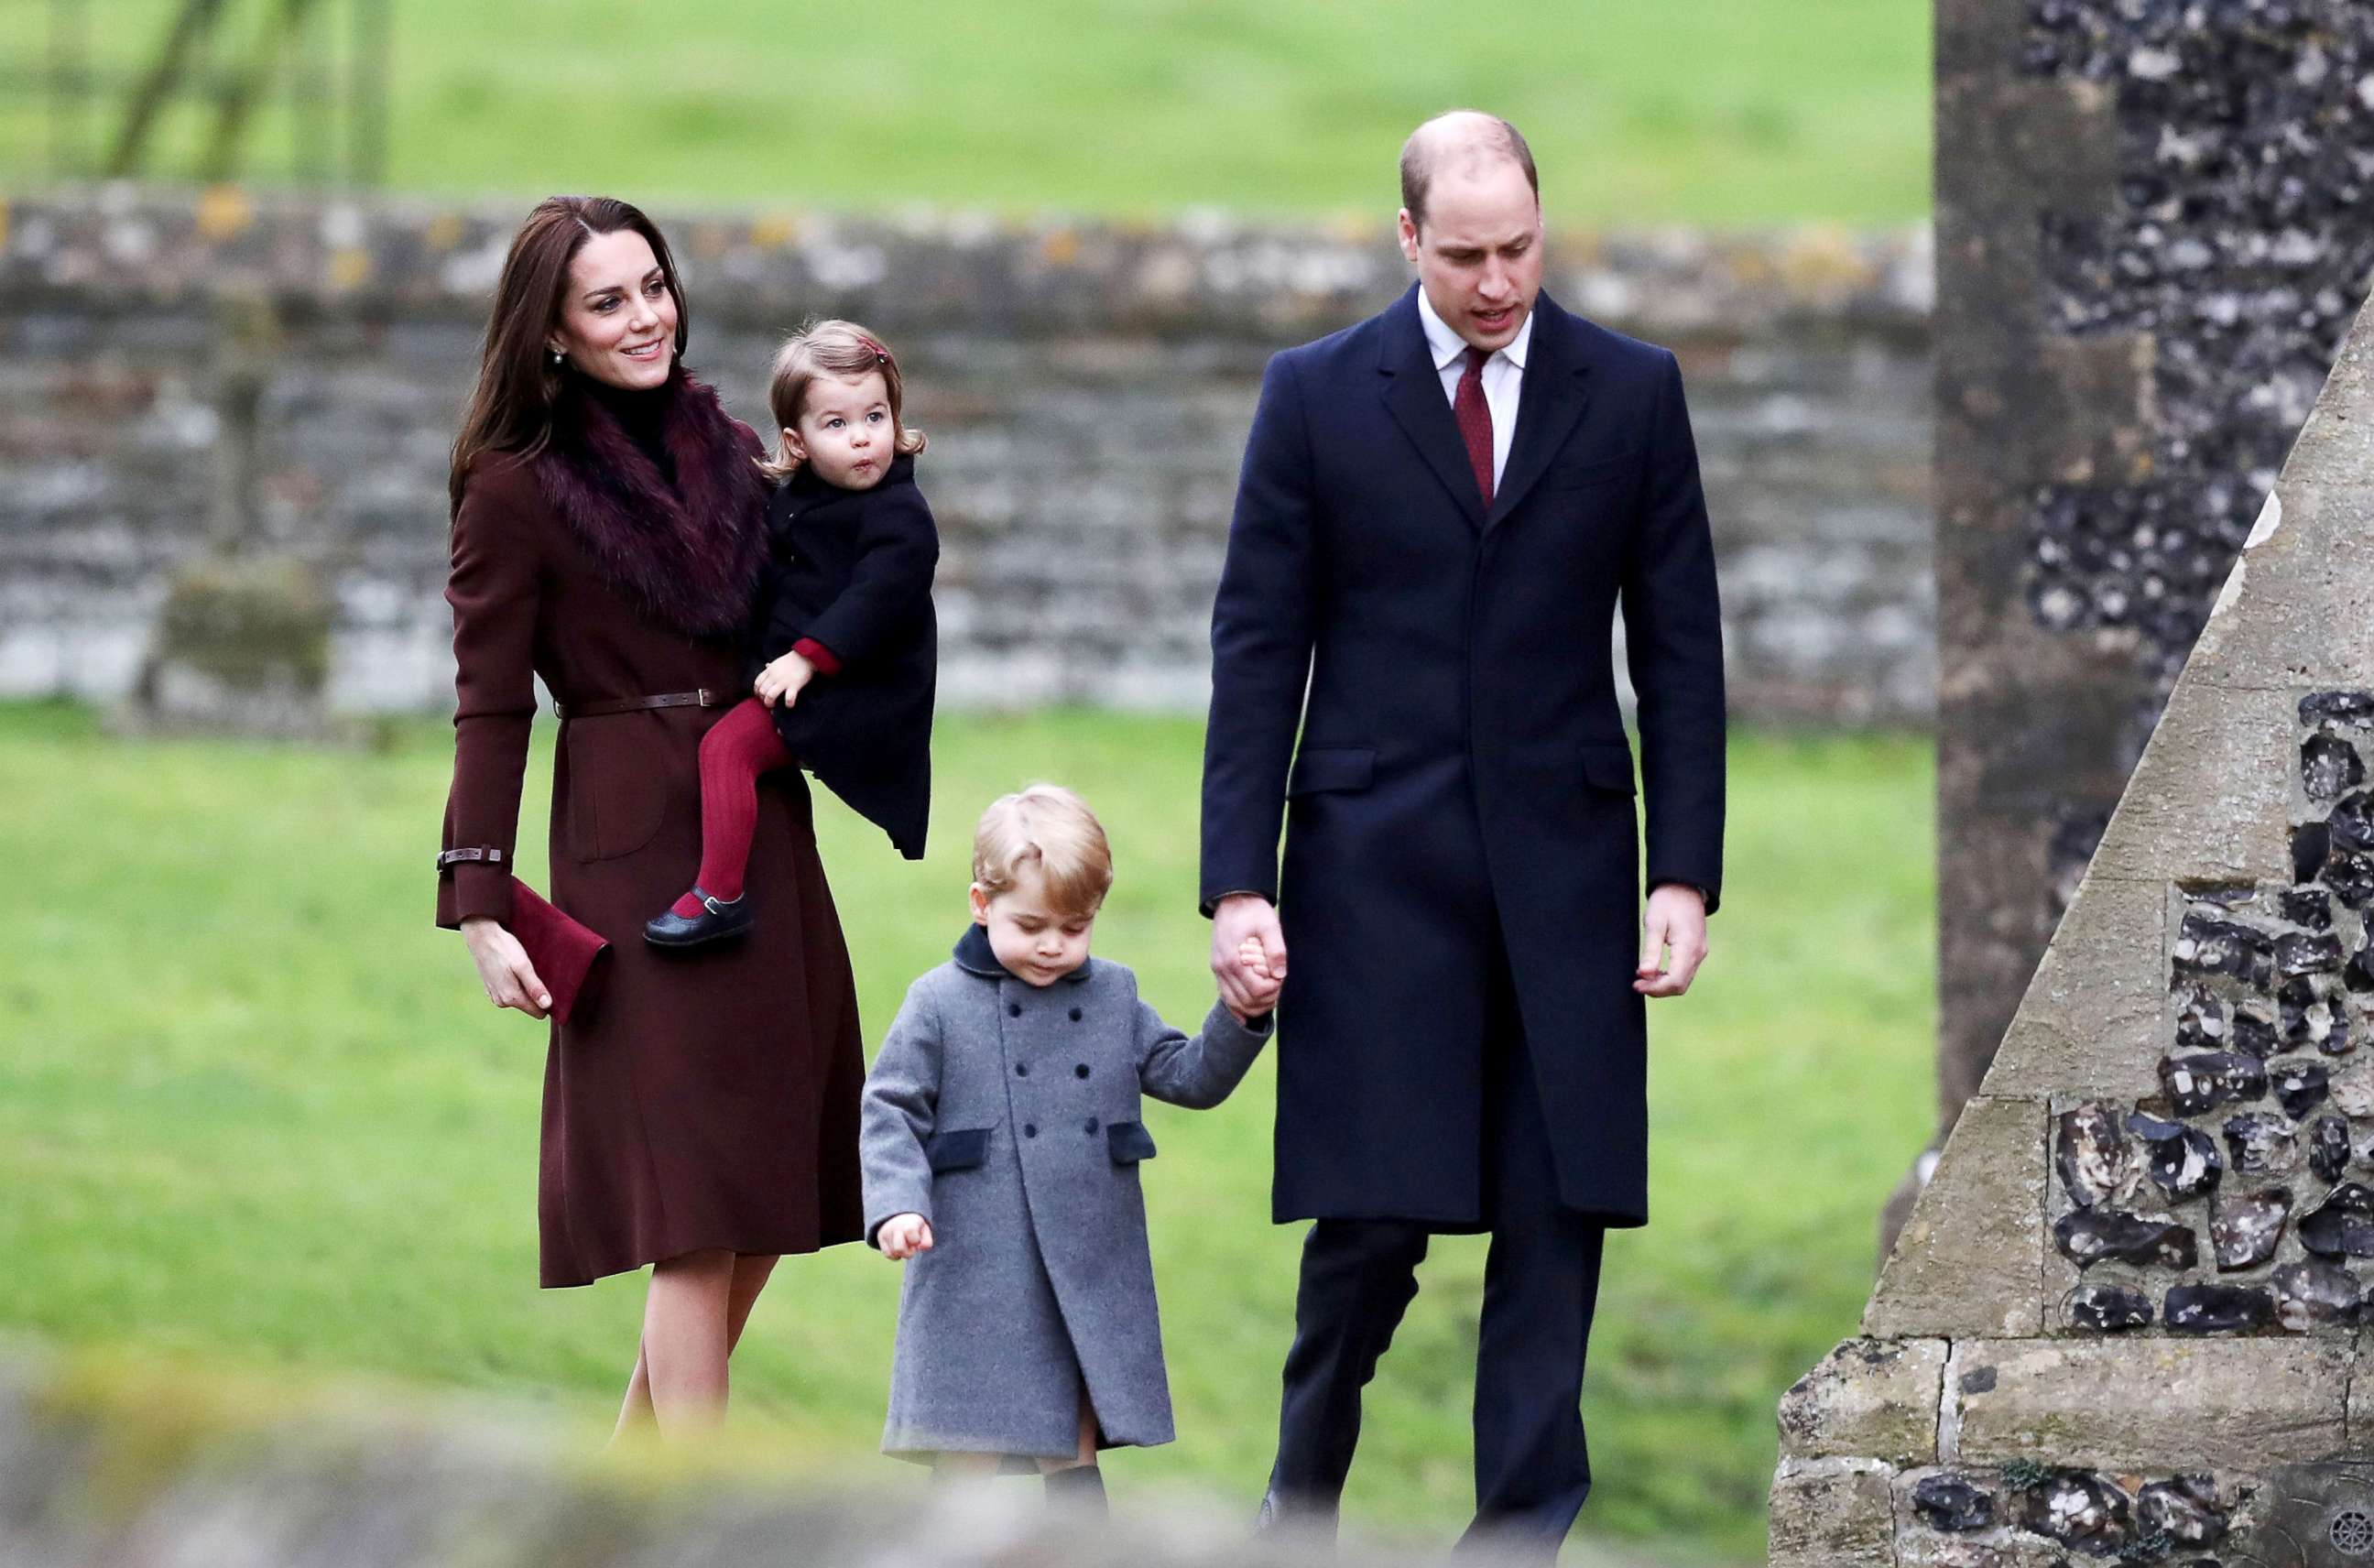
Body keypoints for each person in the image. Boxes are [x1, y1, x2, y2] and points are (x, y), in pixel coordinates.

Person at [1200, 112, 1726, 1558]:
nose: (1500, 282)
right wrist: (1238, 882)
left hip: (1566, 877)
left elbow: (1680, 651)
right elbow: (1258, 647)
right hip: (1372, 876)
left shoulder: (1631, 392)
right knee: (1367, 1232)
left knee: (1558, 1223)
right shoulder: (1313, 395)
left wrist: (1682, 873)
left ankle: (1519, 1542)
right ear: (1409, 238)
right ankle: (1295, 1516)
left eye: (1522, 248)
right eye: (1469, 254)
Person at [438, 194, 866, 1438]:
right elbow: (488, 707)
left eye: (653, 286)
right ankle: (696, 1519)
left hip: (763, 831)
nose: (644, 317)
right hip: (629, 855)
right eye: (607, 301)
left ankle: (618, 1506)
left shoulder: (733, 447)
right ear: (554, 334)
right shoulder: (513, 490)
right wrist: (481, 903)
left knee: (770, 1188)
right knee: (692, 1213)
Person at [859, 785, 1280, 1517]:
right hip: (975, 1258)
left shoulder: (1114, 995)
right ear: (980, 903)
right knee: (969, 1445)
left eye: (1075, 926)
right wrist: (896, 1204)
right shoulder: (937, 1001)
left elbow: (1186, 1076)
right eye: (1031, 924)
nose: (1054, 944)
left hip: (1085, 1263)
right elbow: (889, 1107)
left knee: (1071, 1445)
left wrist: (1241, 1015)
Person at [646, 319, 939, 949]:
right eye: (836, 424)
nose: (862, 439)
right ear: (796, 441)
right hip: (796, 674)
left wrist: (805, 660)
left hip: (857, 694)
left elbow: (876, 600)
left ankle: (719, 896)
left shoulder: (902, 516)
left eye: (876, 416)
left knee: (728, 750)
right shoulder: (795, 498)